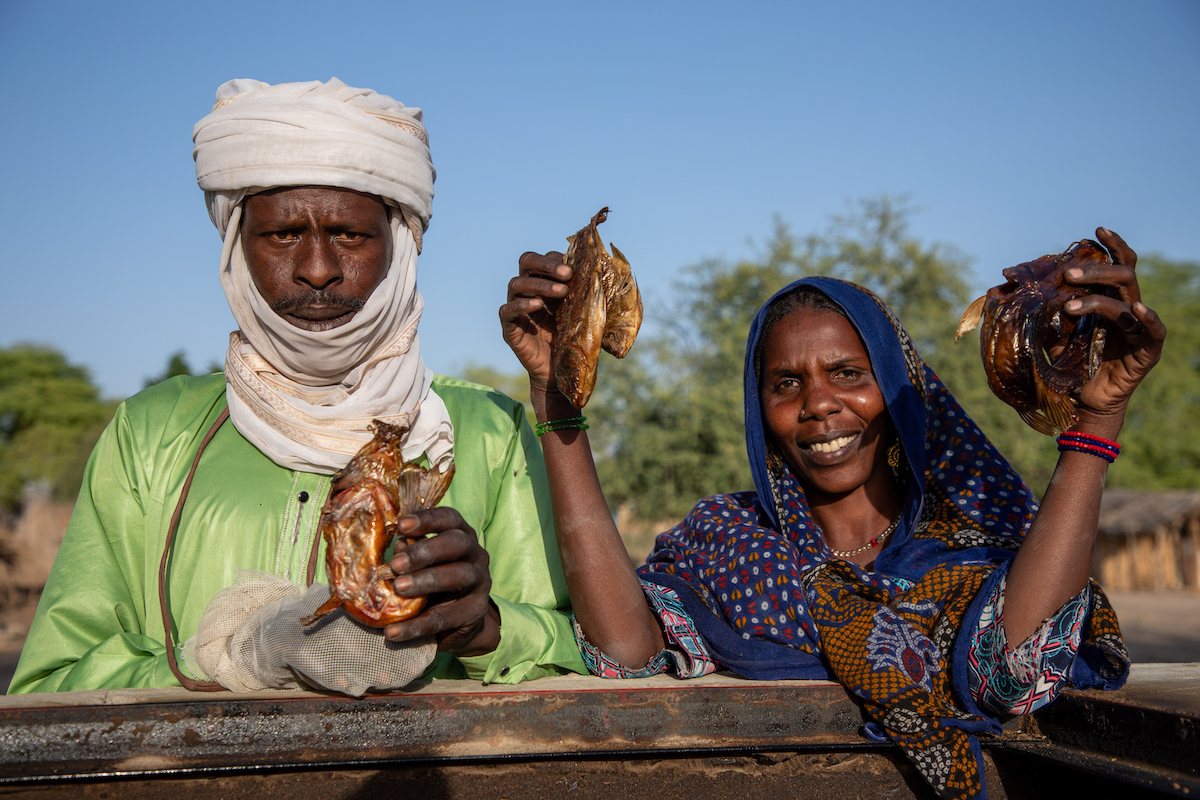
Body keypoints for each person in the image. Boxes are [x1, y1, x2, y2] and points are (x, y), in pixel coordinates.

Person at [501, 229, 1164, 799]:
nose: (818, 403)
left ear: (896, 388)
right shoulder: (728, 542)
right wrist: (558, 406)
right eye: (787, 383)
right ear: (759, 409)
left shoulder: (970, 544)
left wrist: (1097, 423)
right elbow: (627, 652)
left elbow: (1013, 667)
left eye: (847, 372)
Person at [9, 78, 584, 696]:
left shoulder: (489, 432)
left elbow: (578, 674)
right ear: (237, 246)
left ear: (400, 244)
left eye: (350, 235)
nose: (317, 269)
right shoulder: (152, 432)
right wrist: (234, 656)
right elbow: (51, 685)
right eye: (283, 235)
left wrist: (483, 629)